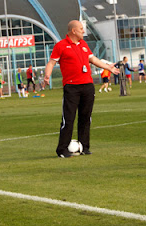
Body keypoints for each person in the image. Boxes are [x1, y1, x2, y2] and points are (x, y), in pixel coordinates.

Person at [44, 20, 119, 158]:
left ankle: (85, 147)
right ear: (73, 31)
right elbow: (51, 62)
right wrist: (47, 76)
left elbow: (93, 59)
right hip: (71, 87)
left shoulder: (84, 45)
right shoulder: (61, 46)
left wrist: (108, 67)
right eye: (81, 28)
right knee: (69, 119)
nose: (83, 31)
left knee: (86, 117)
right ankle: (62, 149)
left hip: (87, 86)